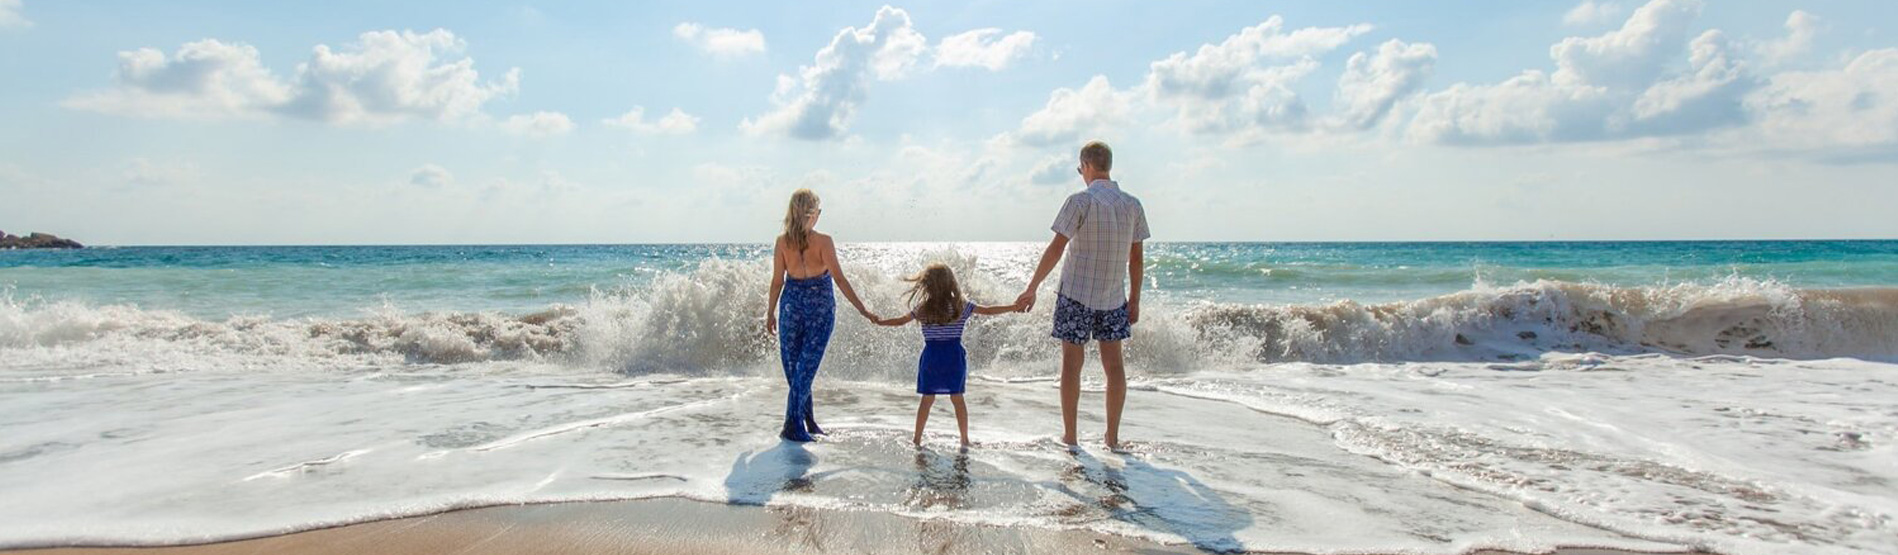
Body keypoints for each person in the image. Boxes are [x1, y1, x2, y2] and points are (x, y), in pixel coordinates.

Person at [1014, 141, 1150, 450]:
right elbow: (1137, 259)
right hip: (1114, 297)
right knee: (1114, 367)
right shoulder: (1132, 204)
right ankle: (1112, 438)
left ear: (1086, 166)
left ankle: (1071, 437)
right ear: (1108, 166)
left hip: (1075, 294)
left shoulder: (1079, 202)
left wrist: (1032, 287)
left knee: (1071, 366)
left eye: (1080, 169)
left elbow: (1056, 248)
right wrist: (1136, 299)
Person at [766, 189, 875, 442]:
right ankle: (793, 425)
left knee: (799, 369)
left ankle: (807, 421)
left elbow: (776, 282)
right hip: (819, 308)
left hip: (792, 306)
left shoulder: (783, 242)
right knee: (802, 370)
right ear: (813, 214)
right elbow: (838, 278)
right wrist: (862, 309)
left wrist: (770, 312)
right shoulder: (823, 241)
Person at [871, 263, 1021, 447]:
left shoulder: (923, 308)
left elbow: (901, 321)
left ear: (927, 285)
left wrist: (880, 322)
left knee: (927, 400)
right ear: (951, 283)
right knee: (957, 399)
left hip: (932, 358)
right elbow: (989, 310)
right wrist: (1013, 307)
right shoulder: (961, 306)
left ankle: (917, 439)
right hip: (953, 358)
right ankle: (964, 440)